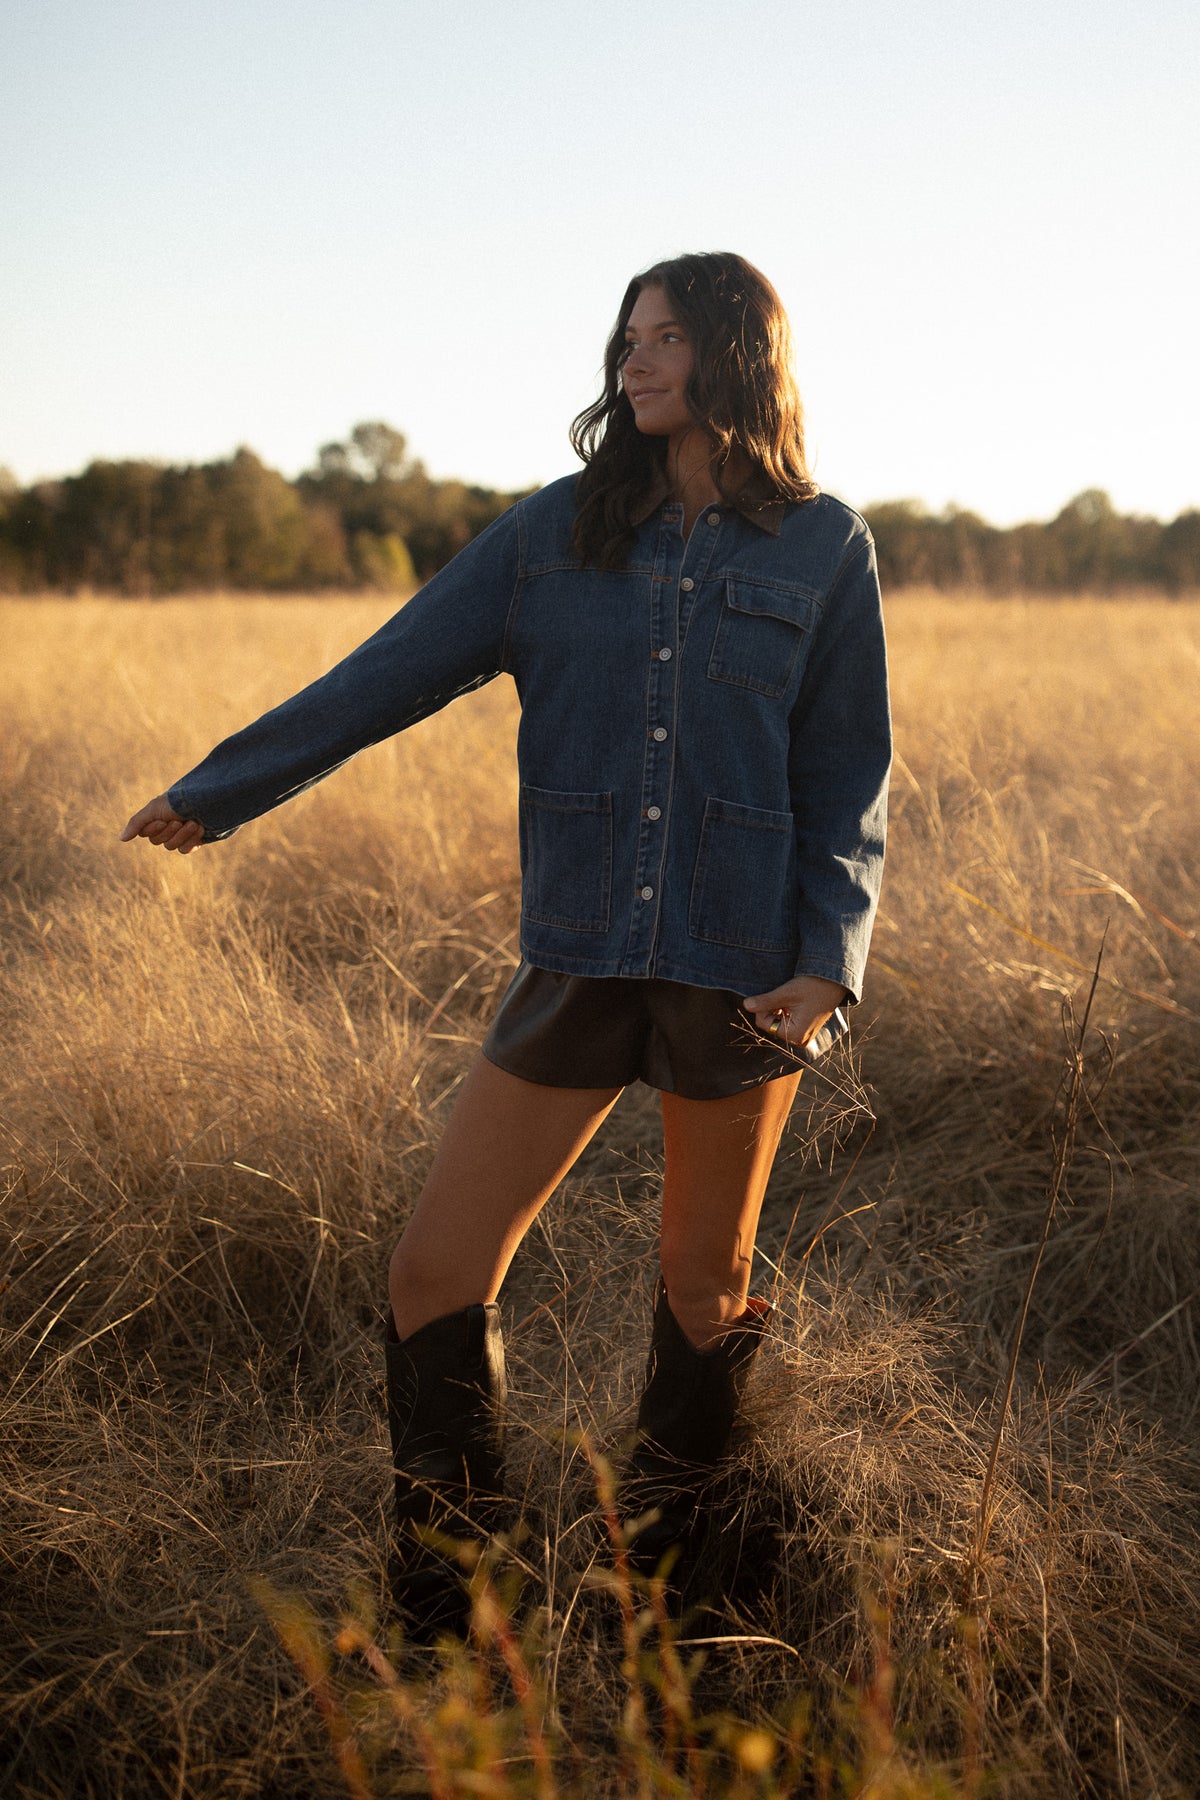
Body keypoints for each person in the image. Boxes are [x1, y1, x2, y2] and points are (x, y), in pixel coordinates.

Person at [122, 251, 891, 1639]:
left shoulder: (825, 547)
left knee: (705, 1284)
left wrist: (829, 962)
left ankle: (672, 1591)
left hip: (744, 969)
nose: (631, 363)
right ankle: (454, 1594)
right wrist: (224, 786)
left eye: (662, 340)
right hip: (581, 952)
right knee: (434, 1267)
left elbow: (846, 772)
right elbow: (392, 666)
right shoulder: (554, 536)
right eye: (625, 340)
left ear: (736, 355)